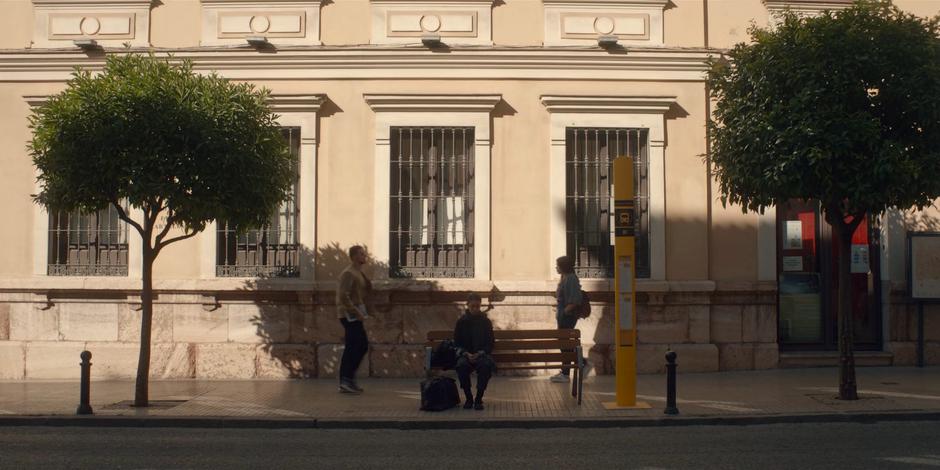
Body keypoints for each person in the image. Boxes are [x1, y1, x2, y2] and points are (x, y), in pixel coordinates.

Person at [336, 245, 371, 394]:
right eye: (362, 254)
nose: (365, 256)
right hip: (348, 316)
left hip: (356, 315)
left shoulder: (358, 272)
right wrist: (355, 312)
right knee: (355, 346)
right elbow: (343, 295)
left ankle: (348, 379)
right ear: (355, 256)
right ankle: (345, 380)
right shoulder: (348, 273)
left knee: (360, 345)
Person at [550, 255, 592, 383]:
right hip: (564, 316)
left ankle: (581, 364)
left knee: (566, 344)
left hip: (567, 317)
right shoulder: (565, 278)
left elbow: (575, 300)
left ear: (563, 266)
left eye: (558, 265)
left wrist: (565, 311)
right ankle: (566, 371)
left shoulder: (571, 279)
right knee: (564, 345)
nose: (556, 267)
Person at [453, 293, 495, 410]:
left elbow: (490, 342)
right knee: (461, 366)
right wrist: (466, 353)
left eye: (478, 306)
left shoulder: (485, 322)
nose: (475, 309)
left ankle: (478, 398)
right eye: (473, 306)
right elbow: (457, 343)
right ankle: (468, 398)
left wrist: (480, 353)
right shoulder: (461, 322)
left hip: (481, 354)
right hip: (466, 355)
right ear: (468, 306)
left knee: (485, 366)